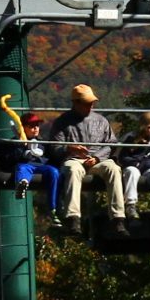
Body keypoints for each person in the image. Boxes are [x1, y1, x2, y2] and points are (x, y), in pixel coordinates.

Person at [44, 84, 120, 225]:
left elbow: (111, 143)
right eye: (87, 103)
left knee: (114, 169)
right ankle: (73, 217)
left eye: (92, 103)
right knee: (73, 170)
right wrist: (70, 149)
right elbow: (54, 148)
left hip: (98, 159)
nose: (91, 106)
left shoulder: (101, 120)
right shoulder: (62, 122)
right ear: (76, 103)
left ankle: (118, 217)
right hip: (73, 159)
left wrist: (97, 157)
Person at [0, 93, 63, 217]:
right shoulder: (15, 143)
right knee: (22, 168)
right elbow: (8, 159)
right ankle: (22, 184)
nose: (35, 129)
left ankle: (54, 207)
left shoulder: (42, 142)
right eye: (31, 126)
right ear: (23, 128)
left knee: (54, 172)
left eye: (37, 126)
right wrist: (23, 149)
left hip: (41, 166)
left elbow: (49, 156)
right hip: (27, 165)